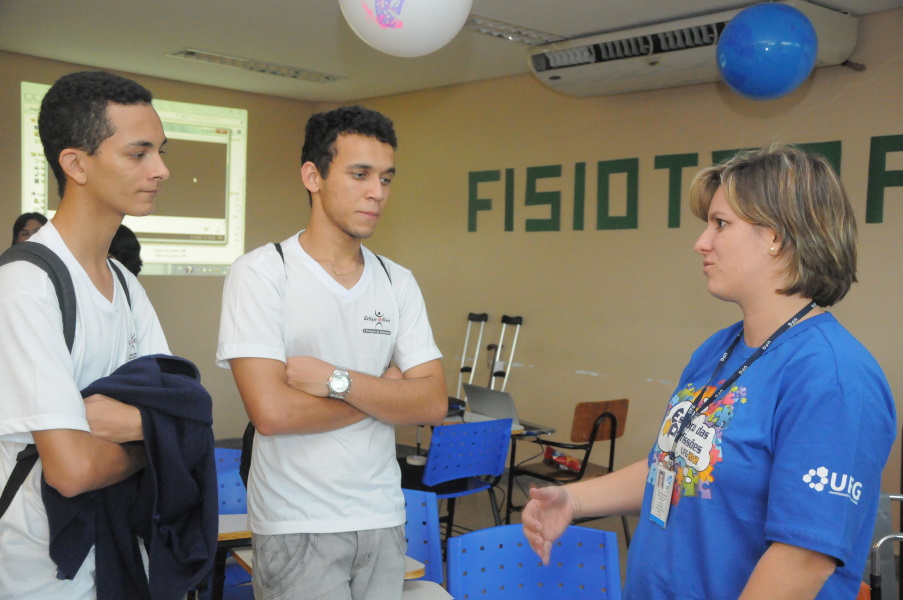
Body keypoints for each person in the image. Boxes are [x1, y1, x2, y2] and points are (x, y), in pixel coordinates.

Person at [522, 144, 896, 600]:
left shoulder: (833, 378)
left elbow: (801, 560)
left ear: (776, 235)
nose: (701, 242)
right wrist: (574, 499)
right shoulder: (719, 350)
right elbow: (677, 467)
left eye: (720, 224)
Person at [217, 105, 448, 599]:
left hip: (383, 517)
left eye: (386, 178)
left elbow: (432, 404)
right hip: (296, 524)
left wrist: (336, 380)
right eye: (360, 174)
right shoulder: (262, 273)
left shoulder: (397, 281)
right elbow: (272, 414)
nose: (377, 192)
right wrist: (385, 394)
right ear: (313, 177)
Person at [0, 71, 171, 598]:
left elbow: (182, 409)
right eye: (138, 153)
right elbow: (71, 469)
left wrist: (149, 428)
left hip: (121, 558)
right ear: (75, 164)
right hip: (41, 576)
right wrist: (155, 443)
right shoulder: (25, 284)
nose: (160, 170)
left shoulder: (126, 284)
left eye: (160, 151)